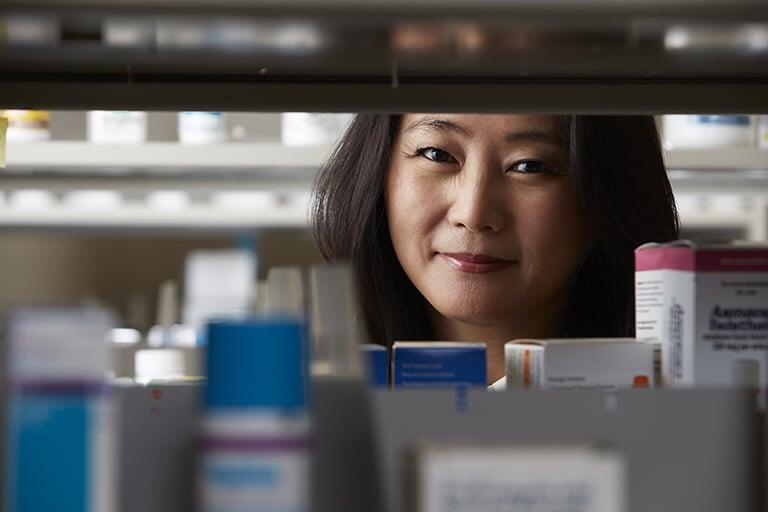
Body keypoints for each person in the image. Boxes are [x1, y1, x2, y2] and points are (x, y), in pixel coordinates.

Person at [312, 114, 678, 384]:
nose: (473, 213)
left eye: (530, 166)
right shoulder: (312, 396)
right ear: (379, 170)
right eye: (437, 154)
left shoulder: (670, 398)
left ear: (607, 194)